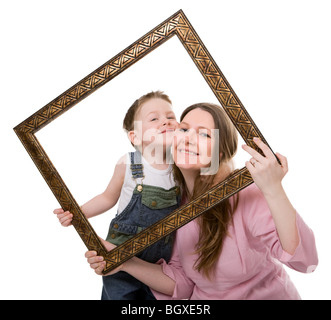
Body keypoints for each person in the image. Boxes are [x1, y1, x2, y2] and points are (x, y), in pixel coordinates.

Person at [86, 102, 318, 300]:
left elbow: (304, 261)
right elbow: (183, 284)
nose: (189, 140)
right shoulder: (173, 203)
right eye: (184, 129)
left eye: (205, 134)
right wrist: (122, 260)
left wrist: (274, 189)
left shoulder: (245, 195)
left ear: (219, 152)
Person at [54, 91, 181, 300]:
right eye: (154, 119)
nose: (165, 122)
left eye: (170, 117)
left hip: (158, 264)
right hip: (119, 252)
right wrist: (76, 214)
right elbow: (107, 198)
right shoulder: (130, 163)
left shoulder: (181, 168)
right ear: (135, 137)